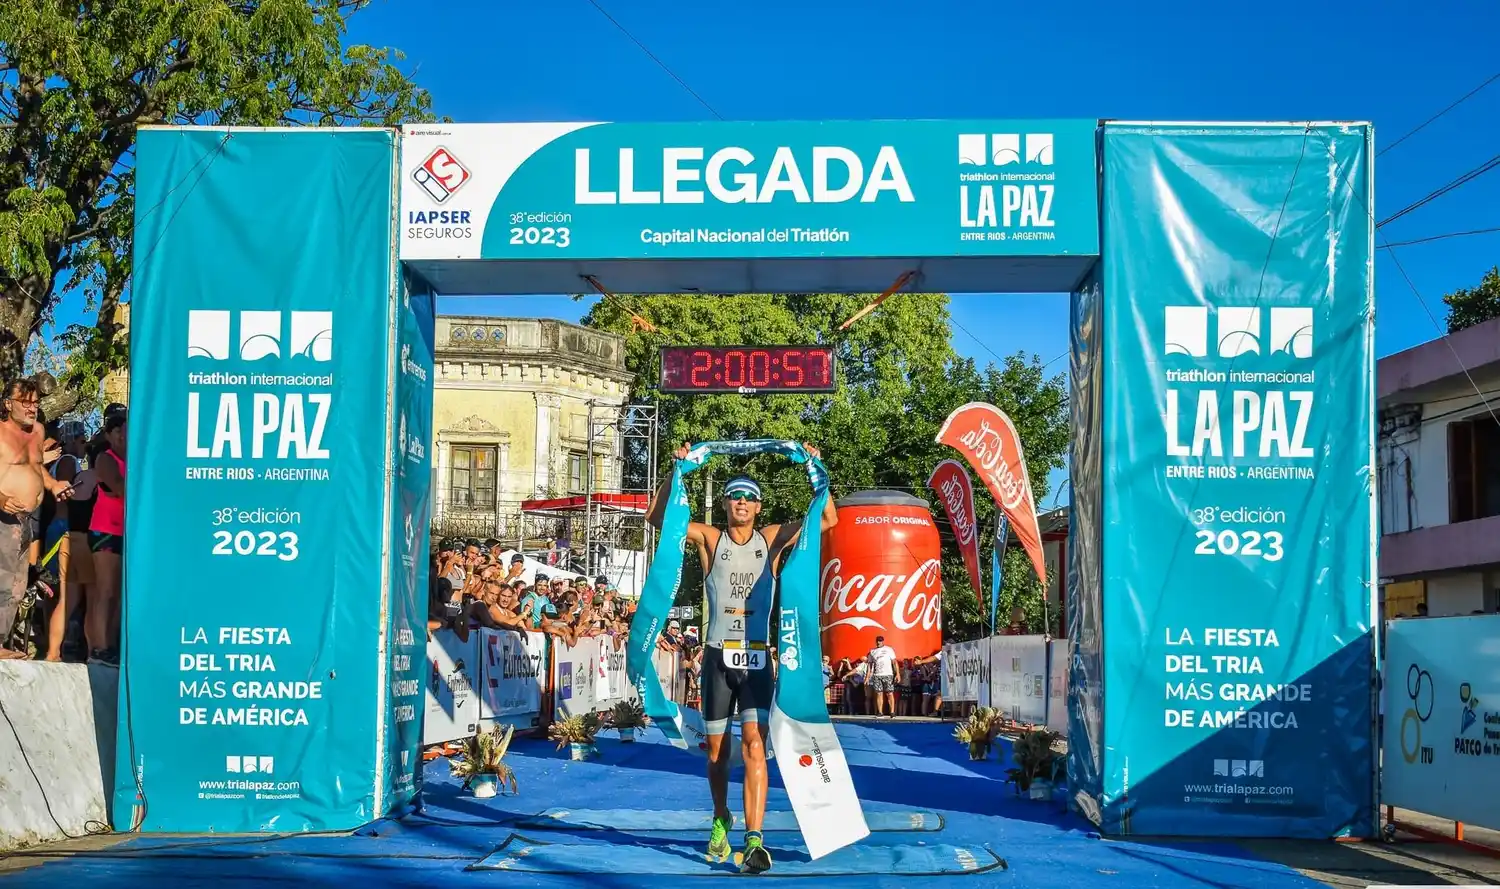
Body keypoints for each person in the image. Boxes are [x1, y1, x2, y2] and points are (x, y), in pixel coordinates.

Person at [644, 440, 837, 874]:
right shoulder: (710, 539)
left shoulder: (771, 539)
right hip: (716, 659)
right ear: (727, 503)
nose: (743, 503)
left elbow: (827, 518)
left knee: (753, 745)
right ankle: (720, 816)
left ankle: (753, 839)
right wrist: (675, 472)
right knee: (717, 753)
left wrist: (815, 465)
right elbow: (660, 519)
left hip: (756, 660)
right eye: (736, 496)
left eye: (750, 497)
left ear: (759, 505)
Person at [0, 380, 75, 658]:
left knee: (20, 584)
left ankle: (3, 642)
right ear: (9, 404)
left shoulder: (38, 431)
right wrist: (1, 499)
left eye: (36, 403)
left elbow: (36, 469)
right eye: (26, 402)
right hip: (3, 518)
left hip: (27, 520)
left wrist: (54, 484)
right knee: (2, 581)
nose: (33, 408)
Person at [865, 635, 899, 717]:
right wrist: (867, 677)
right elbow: (869, 665)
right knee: (879, 693)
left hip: (888, 674)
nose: (878, 642)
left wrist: (897, 674)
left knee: (889, 693)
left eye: (880, 641)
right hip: (877, 675)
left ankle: (892, 712)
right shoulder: (872, 651)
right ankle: (880, 712)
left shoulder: (889, 649)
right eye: (877, 641)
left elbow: (894, 662)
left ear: (883, 641)